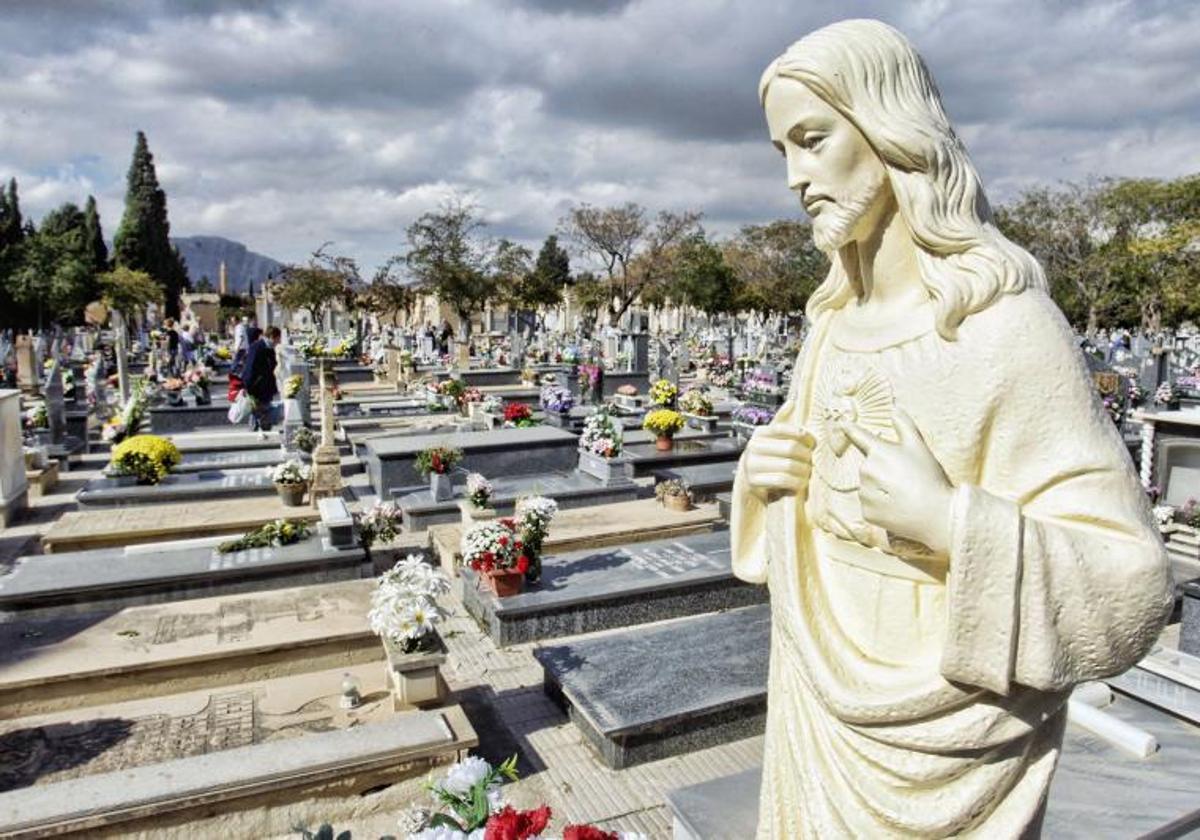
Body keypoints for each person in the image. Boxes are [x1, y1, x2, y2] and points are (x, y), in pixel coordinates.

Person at [733, 20, 1171, 838]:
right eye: (780, 152)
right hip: (818, 698)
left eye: (812, 139)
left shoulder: (1004, 328)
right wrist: (765, 483)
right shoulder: (832, 322)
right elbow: (805, 508)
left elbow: (1131, 579)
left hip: (951, 728)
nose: (795, 177)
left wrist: (947, 523)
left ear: (889, 128)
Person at [241, 326, 280, 432]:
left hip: (265, 386)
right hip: (257, 386)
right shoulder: (257, 347)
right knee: (258, 410)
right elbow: (250, 367)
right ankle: (256, 431)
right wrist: (246, 385)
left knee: (262, 409)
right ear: (272, 336)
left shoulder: (269, 348)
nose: (278, 342)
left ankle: (262, 430)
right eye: (277, 339)